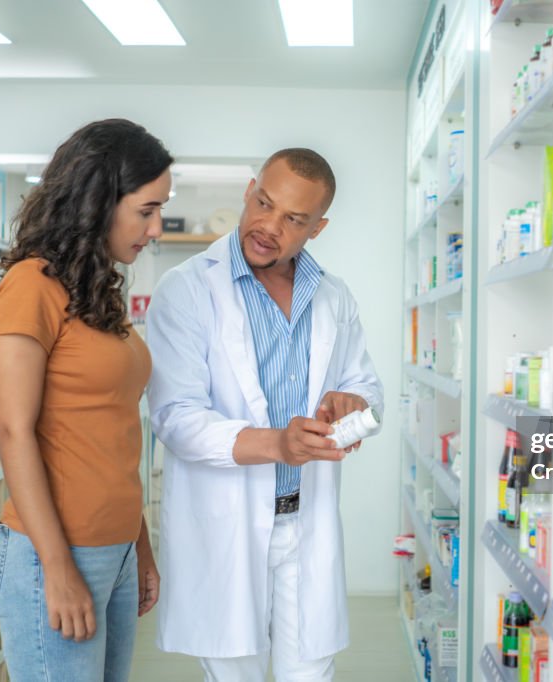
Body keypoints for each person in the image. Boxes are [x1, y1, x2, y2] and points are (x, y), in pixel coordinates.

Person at [146, 148, 383, 681]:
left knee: (313, 673)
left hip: (306, 519)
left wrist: (356, 402)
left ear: (317, 227)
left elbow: (364, 383)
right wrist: (278, 444)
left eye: (293, 219)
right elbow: (176, 418)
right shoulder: (186, 290)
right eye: (264, 203)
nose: (268, 226)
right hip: (226, 521)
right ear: (250, 189)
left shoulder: (333, 296)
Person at [0, 118, 171, 682]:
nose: (157, 228)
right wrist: (57, 567)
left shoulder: (98, 293)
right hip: (56, 556)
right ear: (98, 201)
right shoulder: (30, 285)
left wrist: (137, 543)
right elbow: (12, 431)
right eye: (146, 210)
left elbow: (112, 435)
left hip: (112, 550)